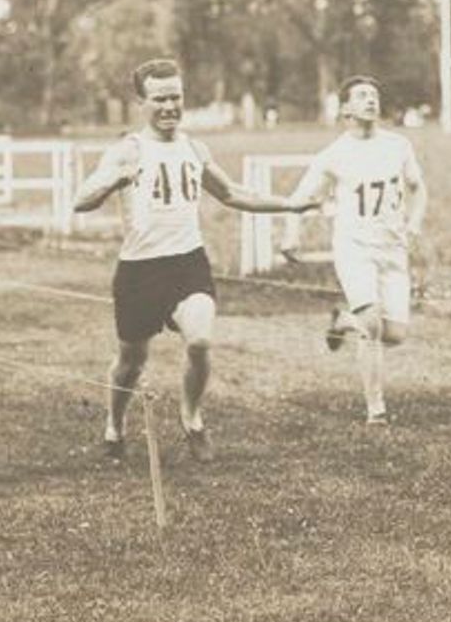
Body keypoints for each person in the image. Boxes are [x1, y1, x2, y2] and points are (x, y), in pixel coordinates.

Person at [73, 58, 312, 463]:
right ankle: (115, 426)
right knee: (131, 363)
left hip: (188, 263)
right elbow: (82, 200)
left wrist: (290, 204)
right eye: (159, 99)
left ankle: (193, 418)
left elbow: (232, 193)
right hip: (139, 269)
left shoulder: (194, 148)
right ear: (142, 102)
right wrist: (115, 179)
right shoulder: (128, 150)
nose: (169, 107)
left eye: (176, 97)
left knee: (200, 340)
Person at [285, 76, 428, 424]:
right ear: (345, 108)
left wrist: (413, 225)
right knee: (373, 326)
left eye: (374, 95)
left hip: (393, 250)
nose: (370, 101)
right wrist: (291, 236)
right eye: (362, 96)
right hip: (355, 249)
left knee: (395, 334)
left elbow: (418, 188)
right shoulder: (333, 155)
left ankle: (342, 320)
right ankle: (375, 409)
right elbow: (301, 199)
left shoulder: (398, 145)